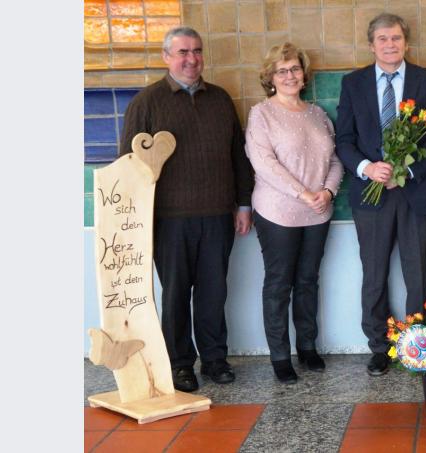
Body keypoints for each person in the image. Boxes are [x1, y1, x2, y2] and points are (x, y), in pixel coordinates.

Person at [119, 26, 254, 392]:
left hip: (217, 216)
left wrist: (243, 204)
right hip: (168, 221)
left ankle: (214, 359)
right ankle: (179, 364)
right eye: (182, 52)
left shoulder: (221, 99)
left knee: (214, 292)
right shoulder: (146, 103)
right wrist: (137, 223)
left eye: (196, 50)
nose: (191, 59)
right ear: (166, 57)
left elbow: (238, 156)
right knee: (176, 294)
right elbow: (128, 165)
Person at [335, 13, 426, 376]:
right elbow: (344, 139)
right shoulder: (353, 83)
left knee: (417, 272)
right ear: (371, 45)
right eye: (383, 39)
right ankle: (380, 347)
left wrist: (407, 171)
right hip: (369, 196)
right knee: (374, 274)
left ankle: (418, 344)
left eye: (396, 38)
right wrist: (367, 168)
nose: (390, 44)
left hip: (414, 192)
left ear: (406, 43)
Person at [245, 43, 344, 384]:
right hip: (278, 213)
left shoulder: (317, 114)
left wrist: (327, 192)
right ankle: (279, 355)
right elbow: (264, 164)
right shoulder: (261, 114)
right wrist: (304, 193)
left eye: (295, 69)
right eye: (281, 71)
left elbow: (334, 160)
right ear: (270, 77)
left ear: (304, 74)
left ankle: (307, 346)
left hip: (318, 212)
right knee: (279, 283)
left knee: (307, 281)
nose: (289, 76)